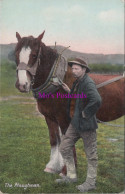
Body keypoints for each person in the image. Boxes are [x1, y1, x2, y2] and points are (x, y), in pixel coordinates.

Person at [55, 58, 102, 193]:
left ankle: (90, 183)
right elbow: (79, 97)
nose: (73, 71)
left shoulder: (88, 83)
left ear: (84, 70)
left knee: (91, 155)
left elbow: (97, 100)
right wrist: (69, 91)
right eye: (73, 68)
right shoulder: (77, 82)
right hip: (75, 124)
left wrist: (85, 114)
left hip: (87, 126)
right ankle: (71, 176)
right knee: (64, 147)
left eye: (76, 69)